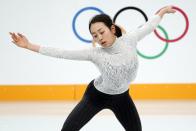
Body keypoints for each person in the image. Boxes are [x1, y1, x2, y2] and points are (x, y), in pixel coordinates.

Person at [9, 6, 176, 131]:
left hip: (122, 98)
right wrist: (29, 45)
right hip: (96, 96)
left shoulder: (130, 40)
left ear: (112, 29)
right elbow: (62, 53)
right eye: (94, 35)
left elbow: (149, 26)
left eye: (101, 32)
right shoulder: (95, 53)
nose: (99, 37)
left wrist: (162, 12)